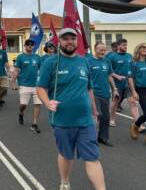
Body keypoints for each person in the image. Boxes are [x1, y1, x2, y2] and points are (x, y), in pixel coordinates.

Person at [37, 28, 105, 190]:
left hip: (85, 120)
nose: (69, 41)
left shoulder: (84, 62)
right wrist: (47, 103)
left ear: (77, 41)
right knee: (67, 155)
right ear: (59, 42)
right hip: (62, 119)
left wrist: (95, 111)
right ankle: (65, 181)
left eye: (72, 38)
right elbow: (40, 88)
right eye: (65, 39)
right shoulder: (51, 62)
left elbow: (89, 89)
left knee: (92, 157)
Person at [88, 42, 118, 146]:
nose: (103, 52)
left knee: (106, 117)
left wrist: (114, 88)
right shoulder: (88, 61)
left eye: (104, 50)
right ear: (95, 49)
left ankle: (103, 138)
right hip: (93, 92)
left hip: (105, 93)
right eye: (101, 50)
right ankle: (90, 138)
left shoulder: (107, 61)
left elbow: (109, 75)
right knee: (97, 115)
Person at [13, 39, 42, 133]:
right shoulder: (20, 57)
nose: (30, 46)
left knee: (37, 104)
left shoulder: (38, 57)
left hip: (37, 86)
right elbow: (16, 70)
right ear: (25, 46)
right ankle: (21, 113)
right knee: (23, 105)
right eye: (28, 44)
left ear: (34, 46)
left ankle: (34, 124)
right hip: (24, 85)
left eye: (32, 44)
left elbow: (41, 71)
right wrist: (13, 82)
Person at [108, 38, 138, 127]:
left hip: (128, 85)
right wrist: (117, 76)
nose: (126, 46)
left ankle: (138, 123)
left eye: (126, 45)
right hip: (117, 85)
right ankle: (112, 119)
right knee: (115, 103)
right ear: (118, 46)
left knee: (133, 102)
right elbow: (109, 71)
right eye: (123, 45)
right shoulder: (112, 57)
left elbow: (133, 69)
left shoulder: (129, 56)